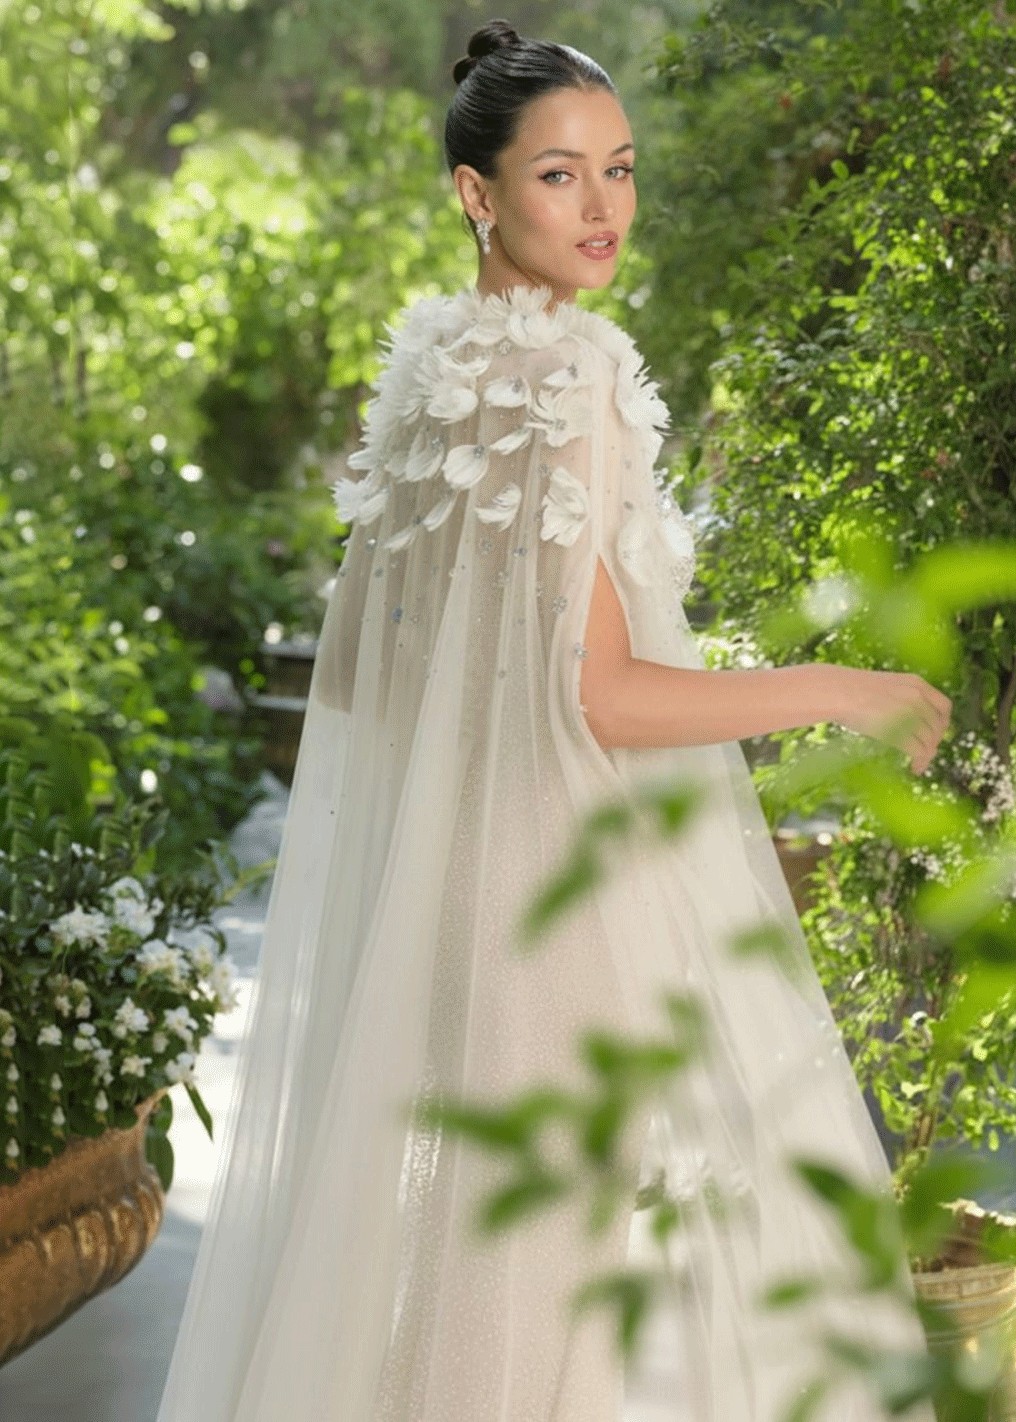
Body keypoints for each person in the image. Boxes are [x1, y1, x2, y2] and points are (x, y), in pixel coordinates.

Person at [155, 19, 950, 1422]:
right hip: (555, 904)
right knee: (532, 1320)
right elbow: (601, 694)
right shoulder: (566, 378)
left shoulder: (430, 374)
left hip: (455, 889)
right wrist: (848, 690)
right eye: (560, 175)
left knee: (484, 1290)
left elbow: (368, 681)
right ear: (478, 192)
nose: (603, 209)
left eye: (619, 170)